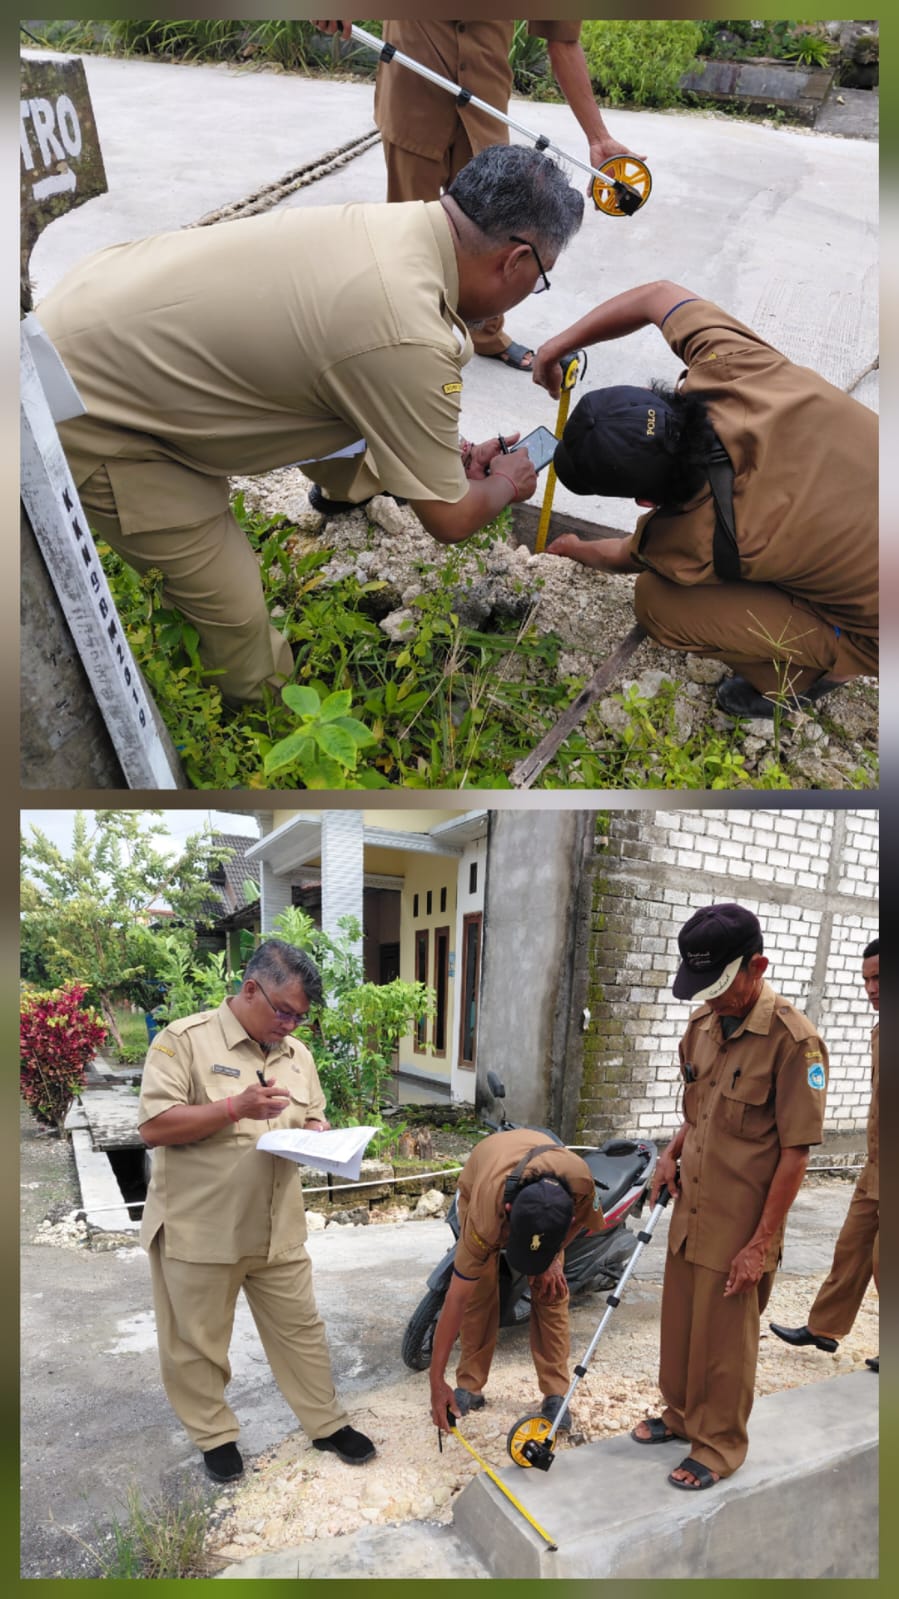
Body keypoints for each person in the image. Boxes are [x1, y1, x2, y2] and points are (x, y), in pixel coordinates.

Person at [35, 144, 583, 703]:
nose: (528, 294)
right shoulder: (407, 327)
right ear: (515, 261)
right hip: (91, 408)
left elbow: (343, 373)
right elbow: (451, 518)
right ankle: (255, 734)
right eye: (540, 279)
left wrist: (435, 458)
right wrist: (503, 484)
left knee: (339, 403)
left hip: (92, 306)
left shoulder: (396, 228)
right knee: (236, 616)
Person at [532, 280, 878, 718]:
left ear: (643, 502)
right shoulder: (738, 367)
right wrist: (556, 347)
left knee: (658, 603)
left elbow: (623, 557)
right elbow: (656, 295)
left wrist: (573, 549)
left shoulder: (689, 539)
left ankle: (815, 674)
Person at [137, 939, 375, 1482]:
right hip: (202, 1228)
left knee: (302, 1331)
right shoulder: (184, 1042)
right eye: (285, 1012)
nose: (292, 1025)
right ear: (250, 990)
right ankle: (215, 1434)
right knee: (196, 1341)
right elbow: (153, 1128)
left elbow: (312, 1117)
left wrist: (319, 1133)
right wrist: (233, 1107)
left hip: (277, 1227)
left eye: (301, 1017)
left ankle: (326, 1422)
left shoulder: (298, 1057)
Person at [632, 903, 828, 1489]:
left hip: (742, 1221)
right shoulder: (701, 1029)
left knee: (724, 1341)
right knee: (681, 1324)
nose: (712, 1001)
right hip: (691, 1208)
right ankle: (681, 1415)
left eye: (721, 986)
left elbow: (796, 1152)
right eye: (703, 988)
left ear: (757, 966)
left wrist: (760, 1243)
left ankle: (718, 1445)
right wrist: (668, 1157)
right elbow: (699, 1113)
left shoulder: (796, 1043)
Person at [315, 18, 640, 369]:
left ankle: (486, 333)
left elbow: (561, 39)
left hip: (483, 107)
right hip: (411, 98)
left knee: (497, 238)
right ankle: (409, 343)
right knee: (409, 236)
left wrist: (598, 137)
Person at [428, 1126, 605, 1434]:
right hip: (484, 1171)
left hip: (540, 1165)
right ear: (508, 1212)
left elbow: (582, 1222)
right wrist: (435, 1381)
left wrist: (552, 1257)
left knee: (552, 1289)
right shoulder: (486, 1217)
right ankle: (470, 1385)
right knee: (478, 1291)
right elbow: (456, 1299)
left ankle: (555, 1393)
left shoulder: (580, 1182)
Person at [769, 937, 879, 1369]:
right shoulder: (881, 1029)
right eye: (867, 979)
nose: (872, 988)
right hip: (877, 1166)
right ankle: (824, 1328)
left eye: (881, 977)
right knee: (852, 1248)